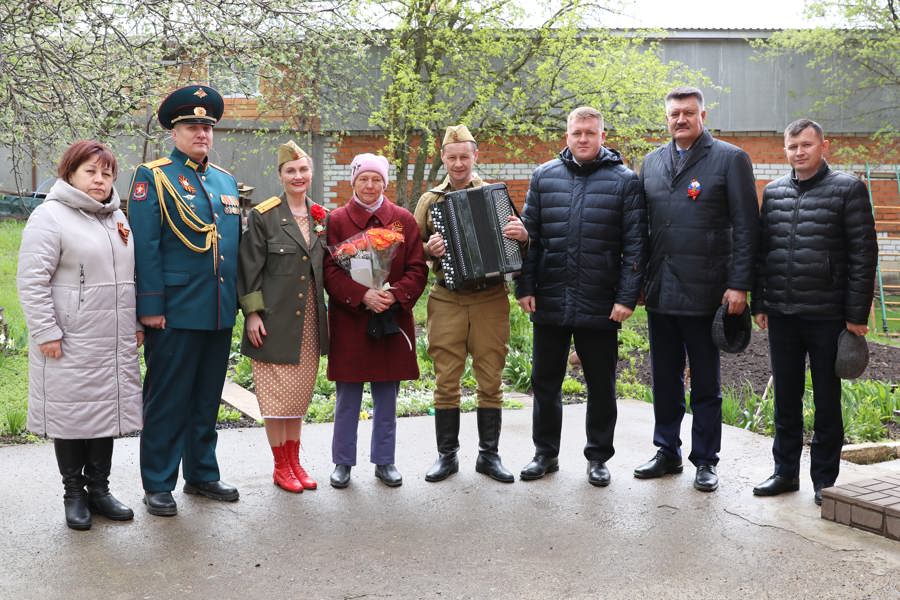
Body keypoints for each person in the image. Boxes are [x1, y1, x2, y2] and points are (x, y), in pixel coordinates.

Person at [635, 86, 759, 492]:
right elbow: (641, 230)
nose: (681, 119)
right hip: (661, 293)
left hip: (709, 294)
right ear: (666, 117)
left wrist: (739, 284)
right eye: (674, 113)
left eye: (689, 112)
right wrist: (637, 283)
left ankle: (706, 460)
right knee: (664, 379)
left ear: (703, 115)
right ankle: (666, 451)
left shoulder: (729, 159)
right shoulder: (651, 163)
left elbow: (747, 227)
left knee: (706, 382)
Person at [516, 106, 648, 486]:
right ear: (567, 136)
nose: (584, 139)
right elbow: (530, 238)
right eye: (577, 133)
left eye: (590, 133)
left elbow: (635, 246)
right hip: (550, 297)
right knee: (545, 381)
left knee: (601, 384)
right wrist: (524, 286)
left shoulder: (625, 181)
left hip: (601, 301)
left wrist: (626, 298)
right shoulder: (544, 176)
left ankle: (598, 456)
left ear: (602, 136)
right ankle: (545, 454)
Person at [128, 85, 241, 516]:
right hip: (173, 311)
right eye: (192, 126)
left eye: (207, 127)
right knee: (168, 399)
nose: (202, 134)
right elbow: (146, 247)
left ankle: (202, 473)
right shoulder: (153, 177)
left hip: (216, 308)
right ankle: (158, 482)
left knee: (206, 397)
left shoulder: (225, 182)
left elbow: (233, 249)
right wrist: (150, 307)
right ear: (174, 131)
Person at [751, 119, 877, 505]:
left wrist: (856, 314)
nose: (799, 152)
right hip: (784, 316)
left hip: (828, 317)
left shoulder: (848, 189)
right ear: (785, 150)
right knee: (785, 399)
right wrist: (761, 301)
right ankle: (784, 473)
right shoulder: (772, 192)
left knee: (827, 401)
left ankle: (825, 480)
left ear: (825, 145)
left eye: (806, 144)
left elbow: (863, 255)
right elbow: (763, 251)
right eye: (792, 146)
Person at [17, 140, 142, 530]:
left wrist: (135, 322)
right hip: (68, 339)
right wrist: (45, 331)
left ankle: (99, 490)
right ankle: (74, 493)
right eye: (91, 171)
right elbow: (32, 281)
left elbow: (129, 279)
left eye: (106, 173)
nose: (99, 180)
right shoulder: (49, 217)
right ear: (70, 172)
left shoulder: (116, 218)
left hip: (111, 338)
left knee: (102, 413)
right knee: (72, 416)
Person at [413, 124, 528, 484]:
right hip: (446, 297)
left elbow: (516, 242)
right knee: (446, 379)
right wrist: (427, 250)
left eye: (465, 156)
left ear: (475, 156)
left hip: (490, 298)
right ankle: (446, 456)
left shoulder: (493, 194)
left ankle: (488, 456)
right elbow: (411, 252)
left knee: (490, 377)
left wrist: (523, 236)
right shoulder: (430, 200)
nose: (459, 163)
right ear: (443, 159)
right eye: (452, 157)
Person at [324, 153, 427, 488]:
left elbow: (417, 268)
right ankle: (343, 462)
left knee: (387, 395)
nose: (370, 186)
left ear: (386, 182)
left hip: (390, 319)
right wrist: (361, 295)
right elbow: (328, 271)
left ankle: (385, 460)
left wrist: (393, 295)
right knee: (347, 396)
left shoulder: (403, 220)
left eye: (376, 179)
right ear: (353, 181)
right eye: (363, 179)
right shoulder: (336, 220)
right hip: (351, 320)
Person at [237, 141, 330, 493]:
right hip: (274, 321)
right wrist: (252, 314)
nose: (298, 176)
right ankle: (280, 466)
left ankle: (295, 462)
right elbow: (250, 268)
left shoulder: (322, 216)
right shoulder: (265, 215)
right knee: (277, 400)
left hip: (308, 321)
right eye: (290, 171)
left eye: (303, 169)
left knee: (297, 399)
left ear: (311, 173)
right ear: (280, 175)